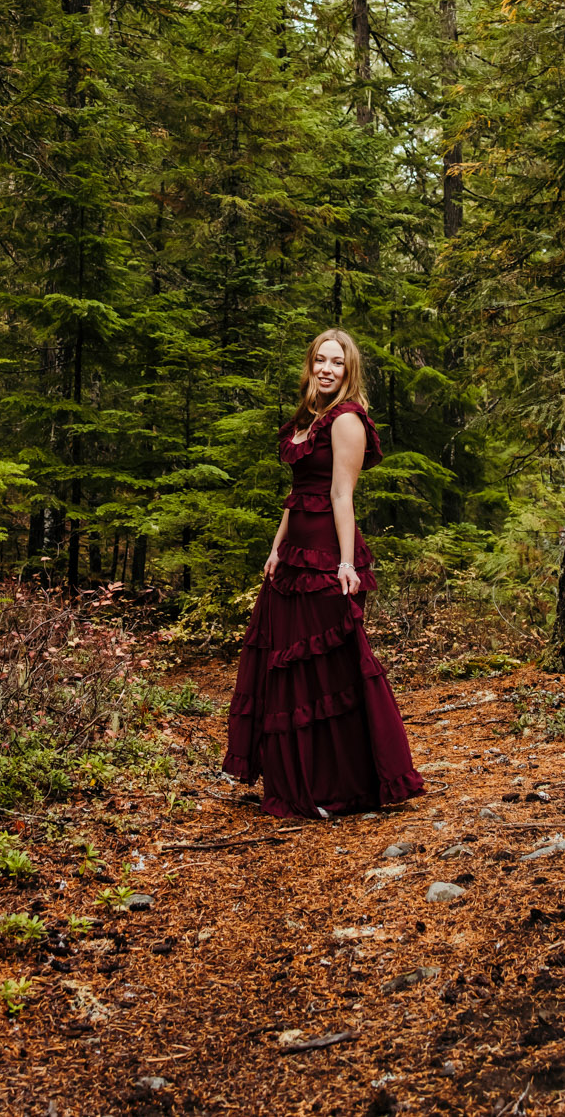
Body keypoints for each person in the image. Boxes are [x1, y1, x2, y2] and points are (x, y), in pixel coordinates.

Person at [222, 329, 426, 819]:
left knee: (330, 667)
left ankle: (343, 784)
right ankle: (300, 783)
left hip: (325, 556)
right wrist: (275, 549)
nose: (327, 369)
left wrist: (345, 563)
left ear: (349, 370)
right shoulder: (308, 420)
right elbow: (297, 497)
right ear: (311, 366)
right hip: (293, 554)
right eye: (320, 360)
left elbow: (340, 497)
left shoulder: (348, 421)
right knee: (289, 671)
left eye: (337, 362)